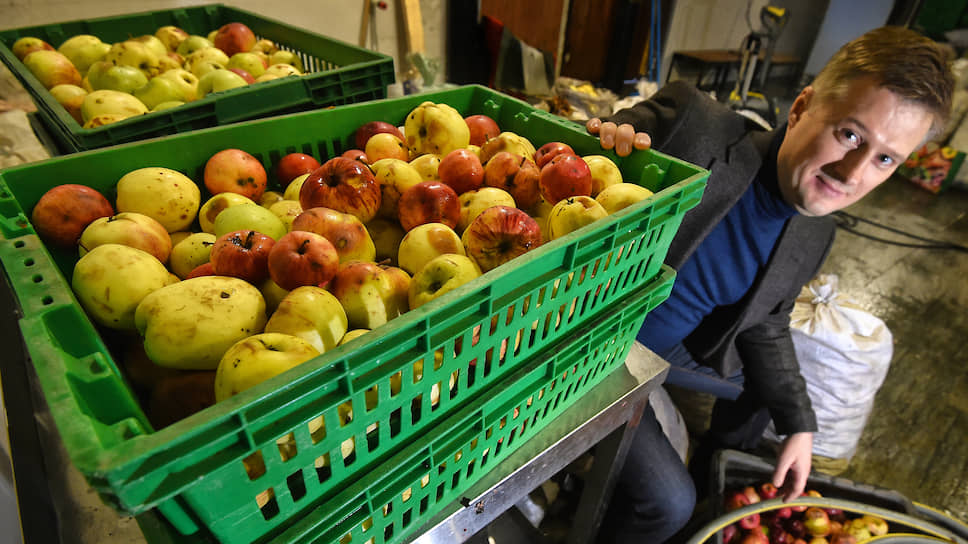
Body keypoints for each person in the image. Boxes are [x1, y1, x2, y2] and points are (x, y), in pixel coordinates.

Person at [585, 26, 953, 543]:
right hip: (579, 356)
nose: (853, 173)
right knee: (666, 505)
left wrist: (799, 424)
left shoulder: (813, 229)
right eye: (849, 134)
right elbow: (577, 160)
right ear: (801, 107)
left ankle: (717, 481)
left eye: (885, 159)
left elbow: (768, 321)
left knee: (762, 396)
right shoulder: (695, 129)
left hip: (653, 360)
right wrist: (600, 140)